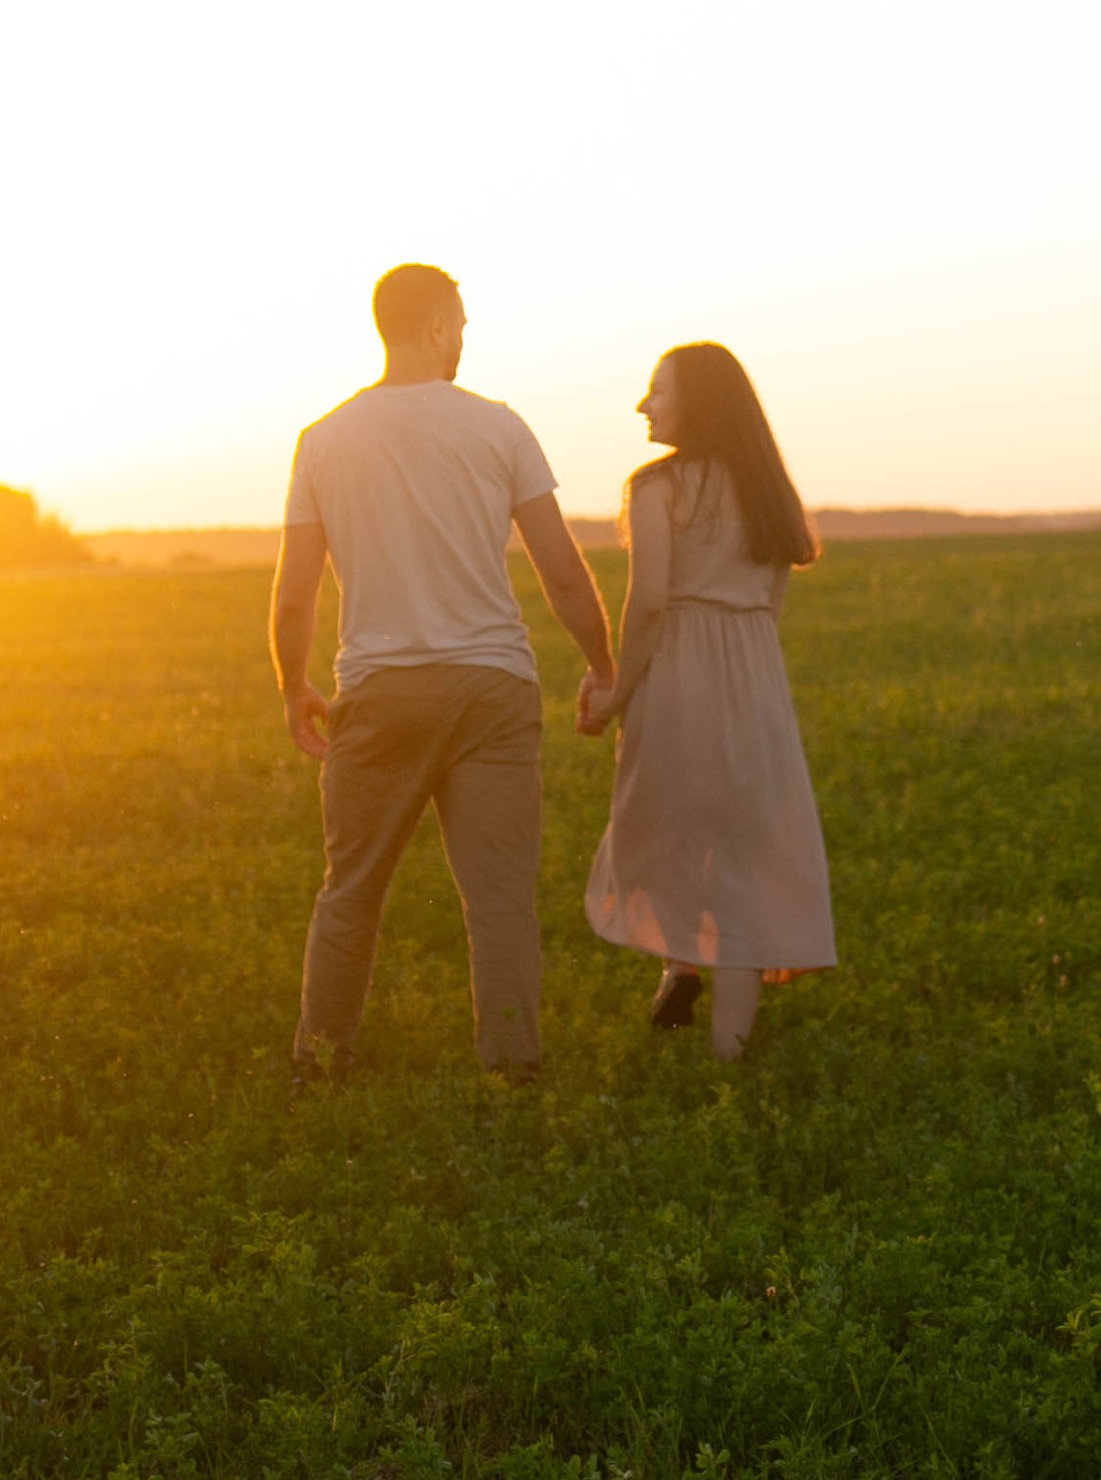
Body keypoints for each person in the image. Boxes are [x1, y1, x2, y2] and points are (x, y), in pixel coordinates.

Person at [273, 262, 614, 1081]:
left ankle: (322, 1064)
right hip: (492, 690)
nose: (462, 339)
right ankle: (513, 1072)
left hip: (381, 692)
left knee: (349, 890)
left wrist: (294, 686)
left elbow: (295, 593)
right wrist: (606, 665)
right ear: (433, 326)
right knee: (499, 902)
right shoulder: (499, 428)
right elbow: (562, 573)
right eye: (458, 324)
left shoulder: (323, 440)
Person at [577, 340, 835, 1061]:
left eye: (657, 390)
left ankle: (678, 964)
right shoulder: (769, 492)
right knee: (744, 854)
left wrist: (614, 691)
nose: (643, 404)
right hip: (755, 682)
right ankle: (729, 1054)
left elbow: (650, 603)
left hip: (678, 677)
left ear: (698, 401)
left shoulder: (658, 487)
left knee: (662, 829)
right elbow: (770, 606)